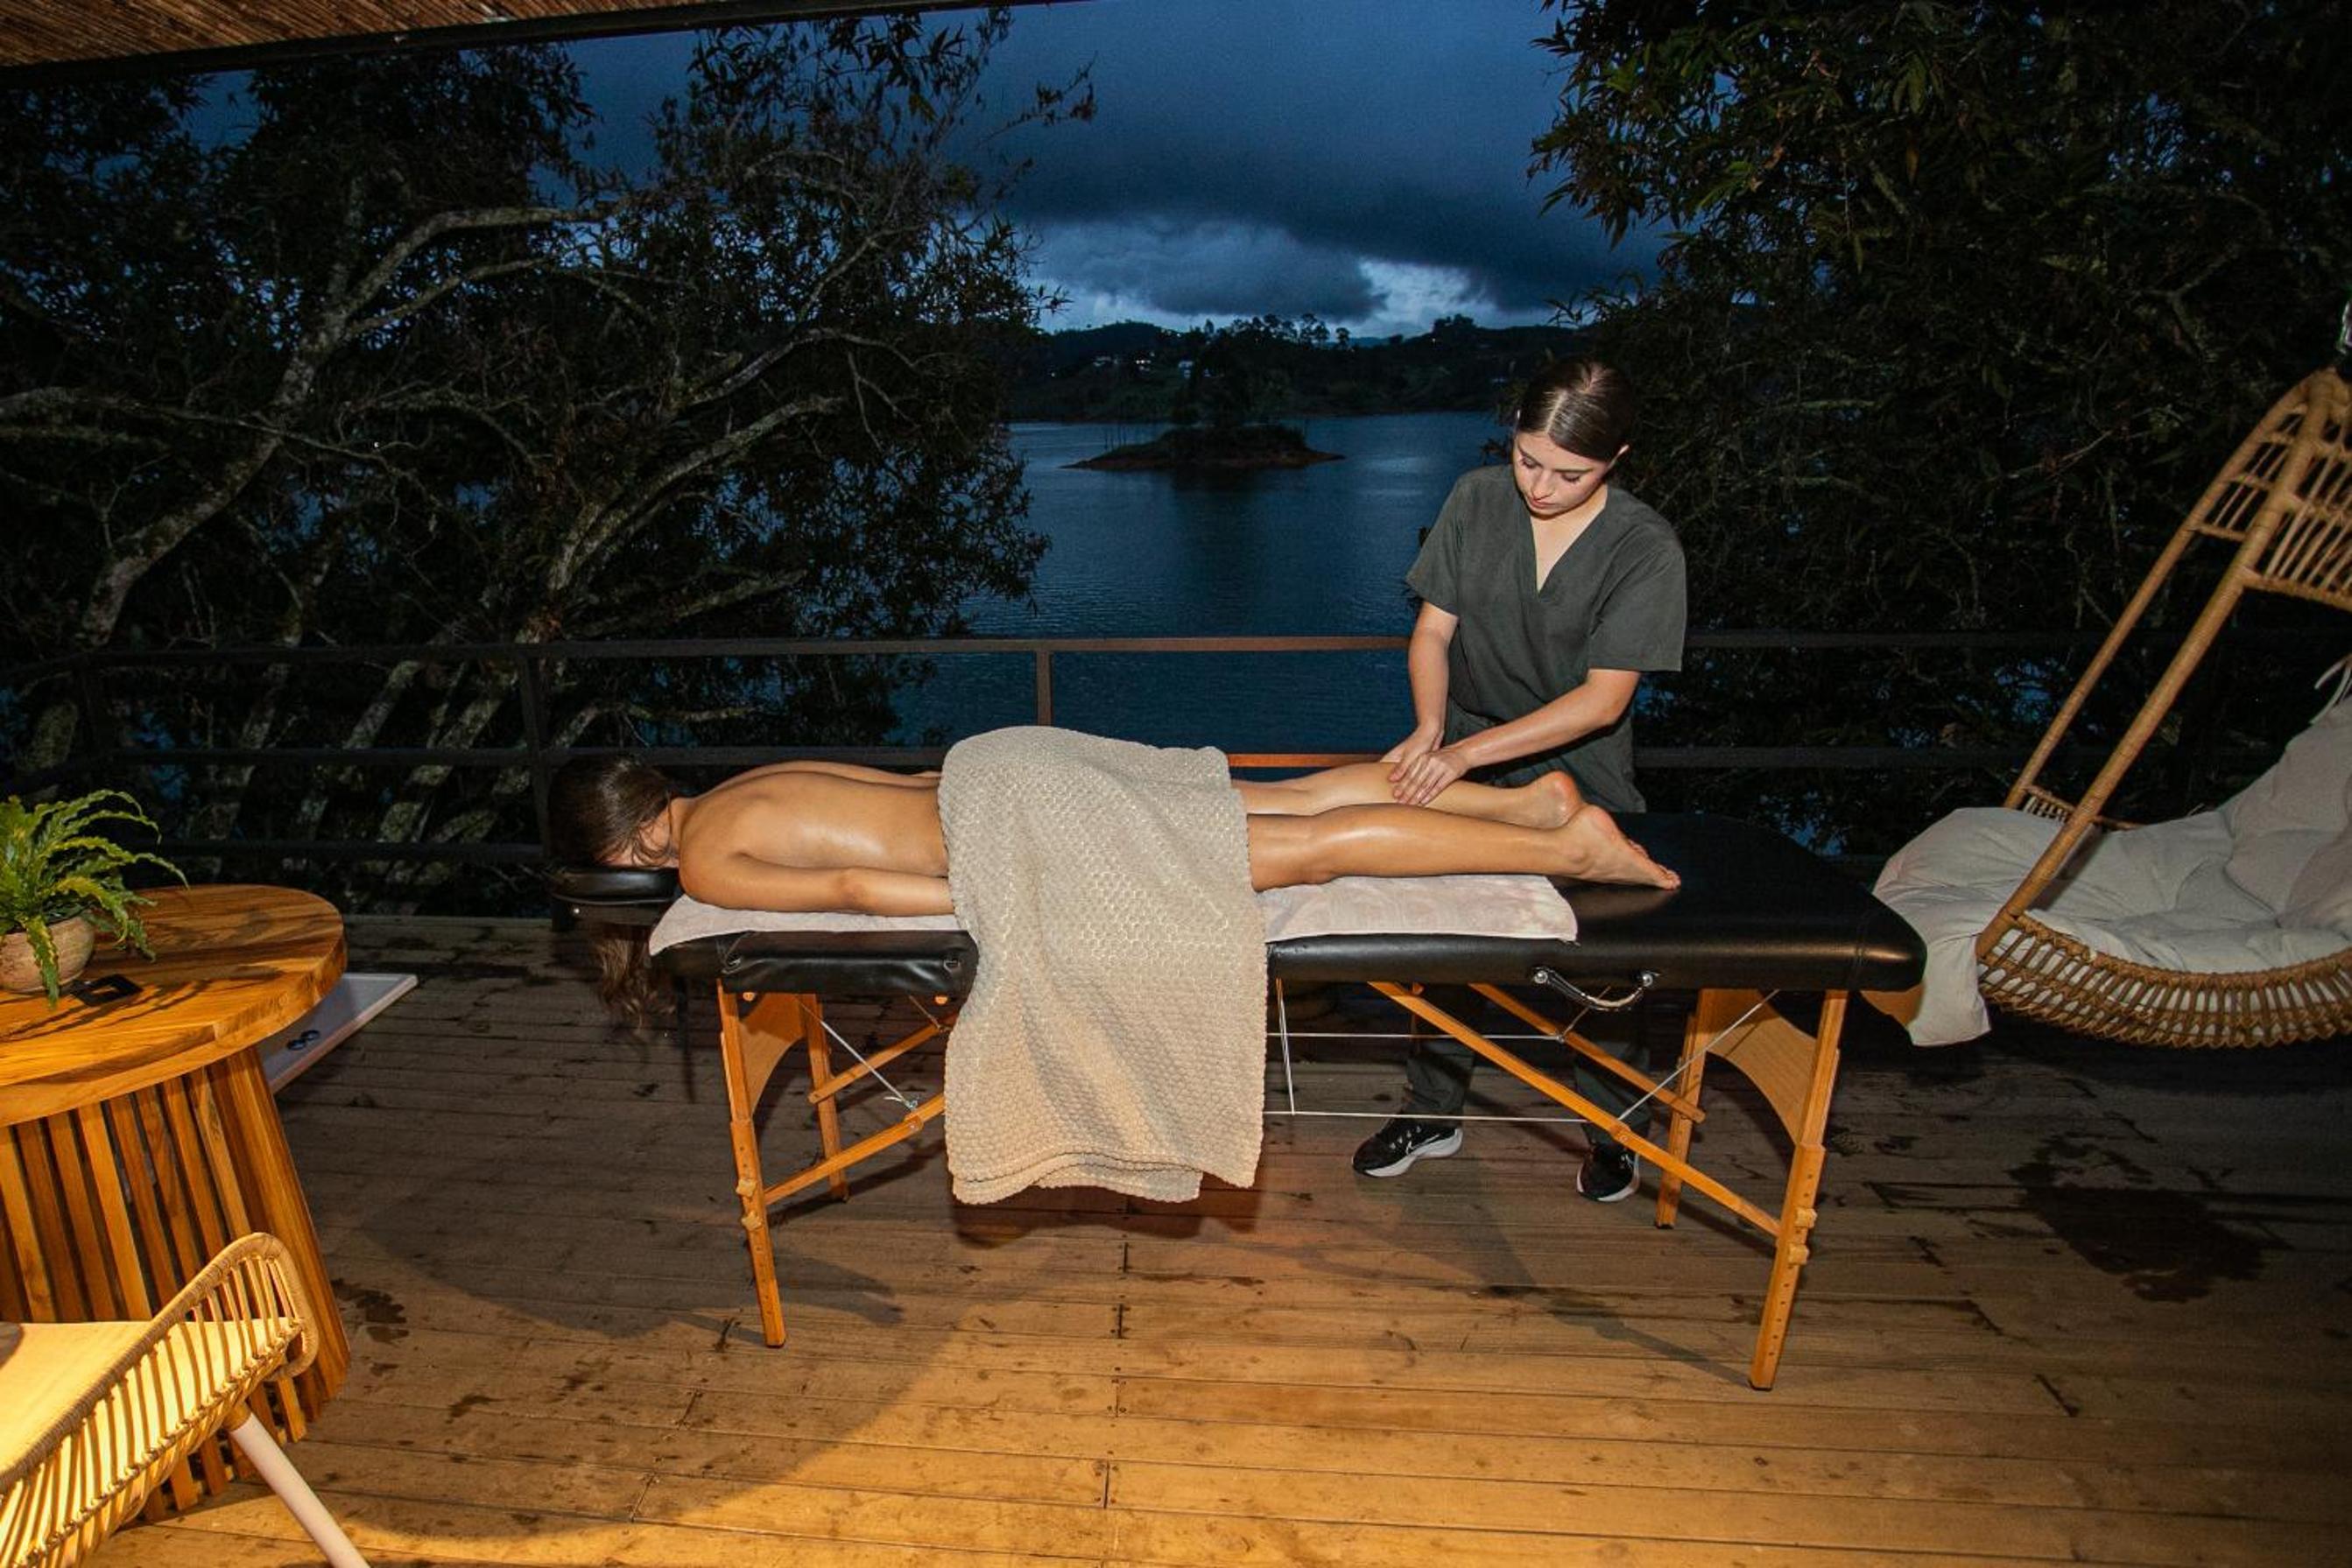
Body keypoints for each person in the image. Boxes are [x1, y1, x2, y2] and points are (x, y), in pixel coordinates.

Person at [547, 744, 1676, 1020]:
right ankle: (1525, 805)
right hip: (1002, 767)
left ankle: (1564, 851)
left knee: (1297, 853)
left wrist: (979, 899)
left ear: (625, 843)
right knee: (1277, 800)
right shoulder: (741, 783)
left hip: (1008, 825)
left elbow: (848, 886)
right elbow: (892, 791)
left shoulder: (702, 853)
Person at [1356, 358, 1687, 1202]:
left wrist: (1465, 755)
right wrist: (1431, 728)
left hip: (1583, 767)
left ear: (1616, 457)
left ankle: (1618, 1132)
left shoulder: (1645, 547)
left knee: (1598, 962)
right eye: (1527, 459)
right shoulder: (1475, 500)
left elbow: (1603, 699)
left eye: (1569, 474)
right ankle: (1433, 1112)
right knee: (1451, 942)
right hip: (1464, 747)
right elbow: (1433, 634)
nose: (1540, 486)